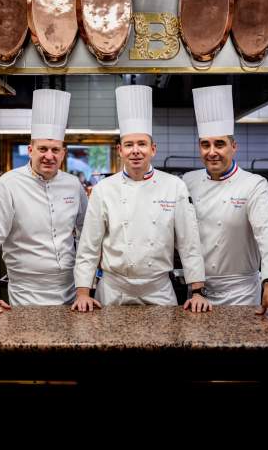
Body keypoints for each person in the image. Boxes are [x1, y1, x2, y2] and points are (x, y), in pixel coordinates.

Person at [72, 84, 210, 313]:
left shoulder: (174, 186)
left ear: (153, 149)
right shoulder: (104, 189)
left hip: (159, 290)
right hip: (113, 290)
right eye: (129, 145)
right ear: (120, 150)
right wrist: (83, 292)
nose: (135, 150)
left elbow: (189, 243)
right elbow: (89, 245)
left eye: (141, 144)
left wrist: (197, 292)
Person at [183, 84, 268, 321]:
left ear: (234, 147)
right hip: (197, 294)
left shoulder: (253, 184)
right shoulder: (188, 181)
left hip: (241, 293)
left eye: (219, 144)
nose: (212, 152)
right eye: (205, 144)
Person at [0, 89, 87, 313]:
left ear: (63, 153)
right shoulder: (8, 184)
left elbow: (87, 234)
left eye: (55, 149)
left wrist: (86, 285)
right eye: (42, 149)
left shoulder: (73, 185)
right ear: (30, 150)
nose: (49, 155)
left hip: (71, 291)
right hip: (26, 292)